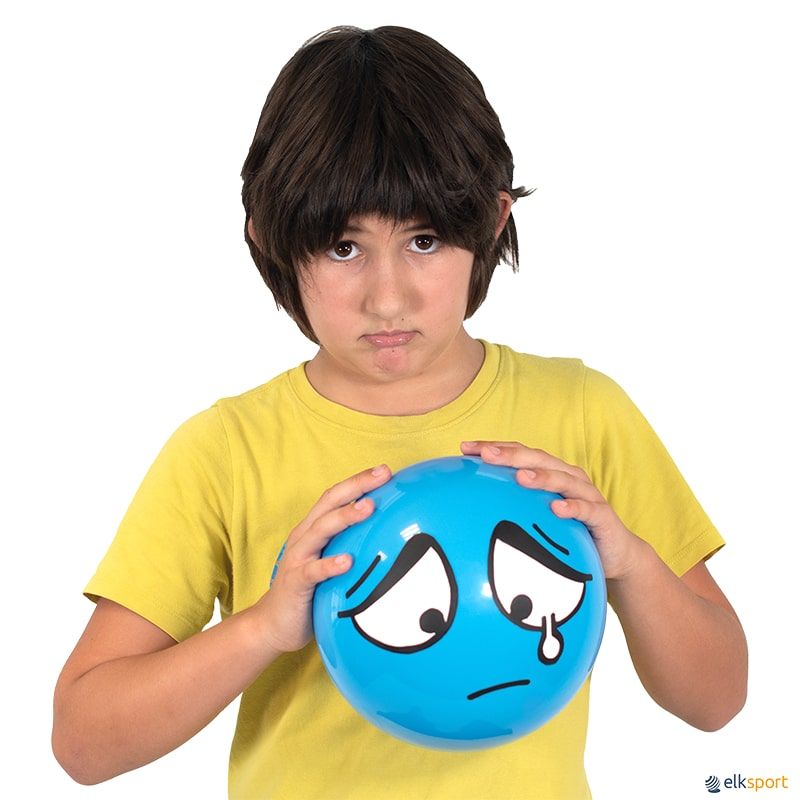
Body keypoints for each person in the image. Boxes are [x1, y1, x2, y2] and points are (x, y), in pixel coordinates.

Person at [52, 25, 747, 800]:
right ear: (271, 240)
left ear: (491, 221)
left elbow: (717, 700)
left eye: (425, 240)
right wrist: (265, 626)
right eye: (343, 247)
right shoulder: (225, 451)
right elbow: (84, 742)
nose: (388, 298)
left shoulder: (584, 413)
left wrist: (631, 563)